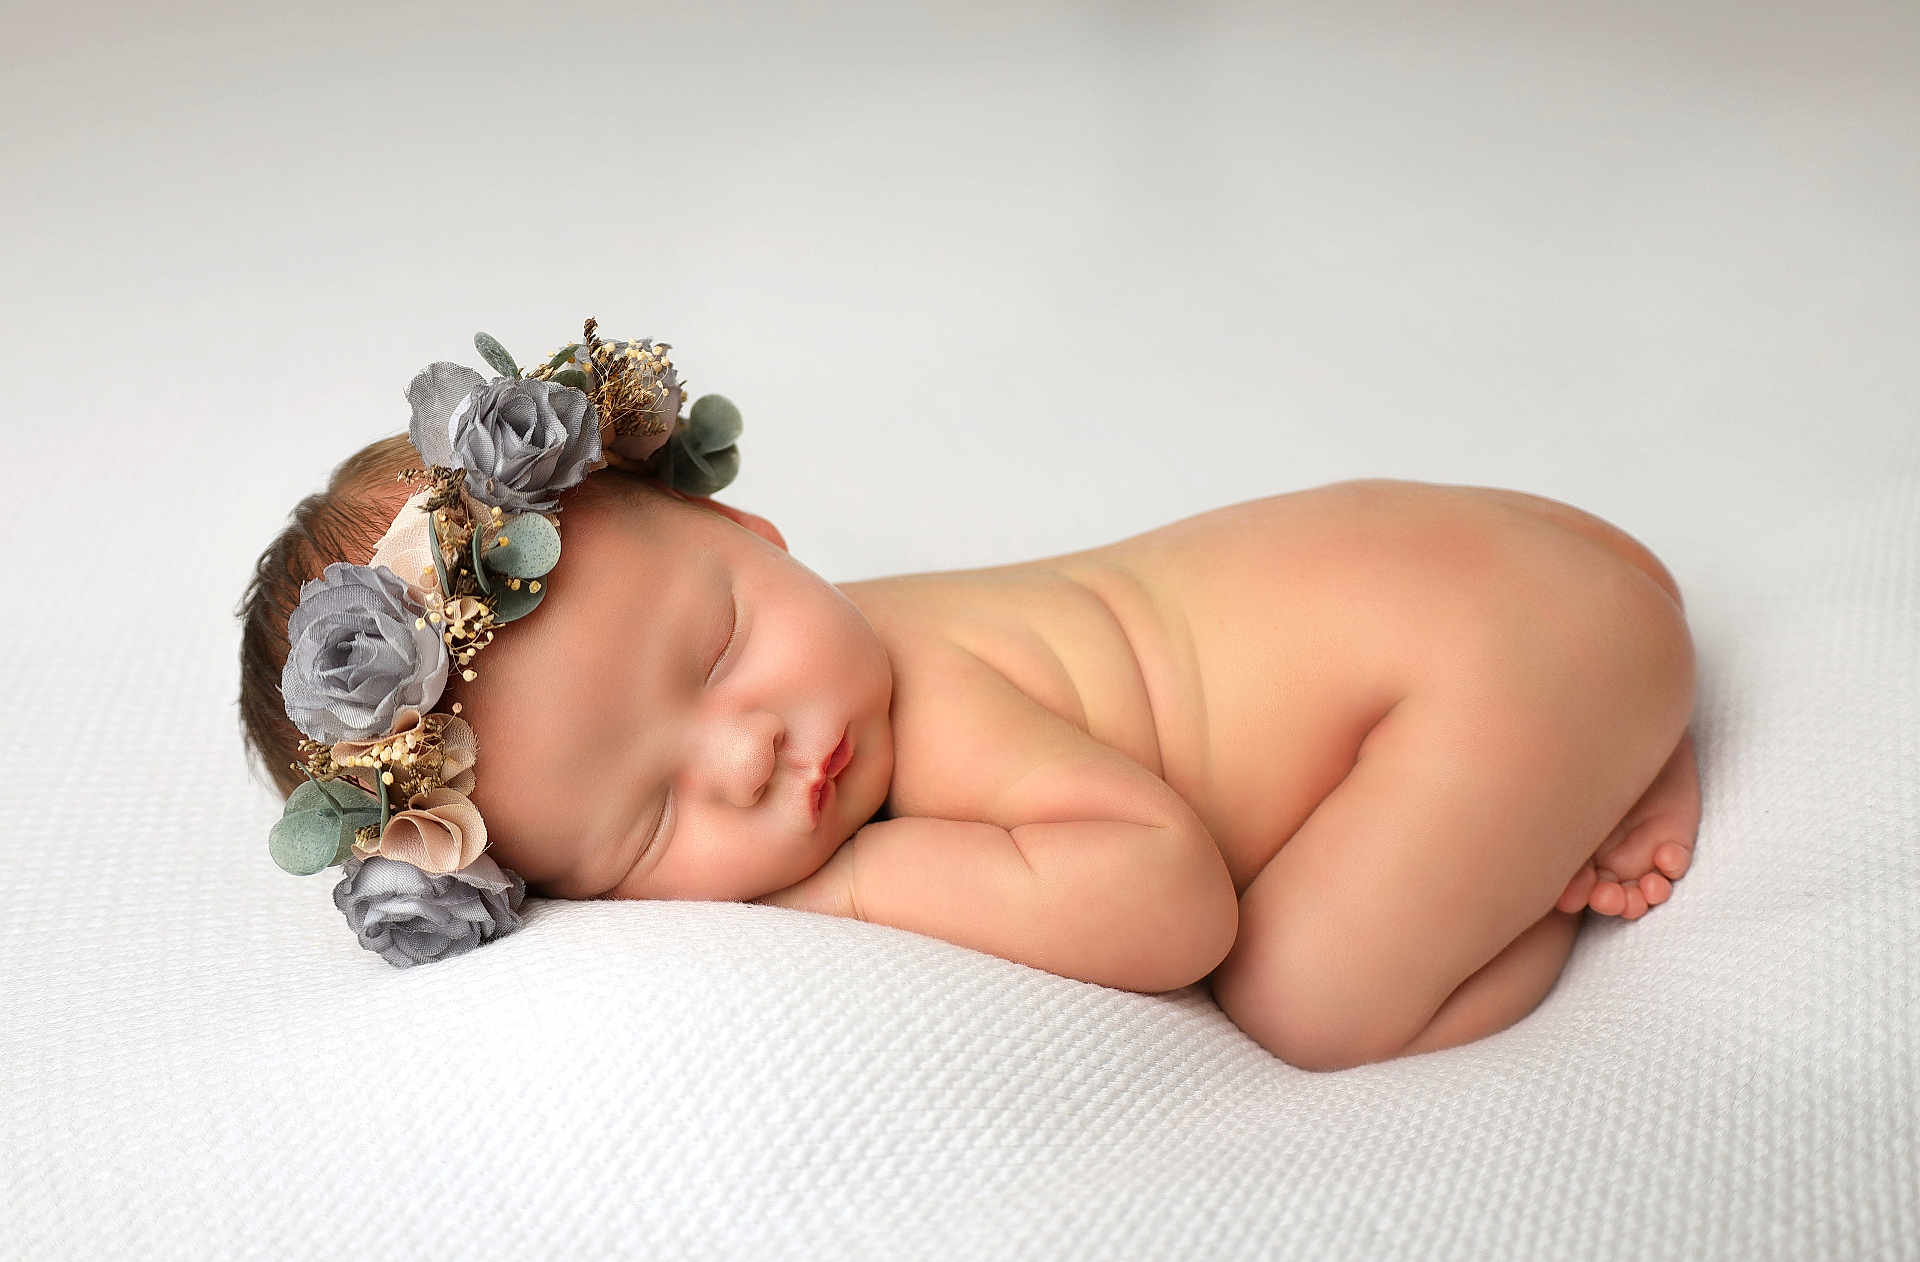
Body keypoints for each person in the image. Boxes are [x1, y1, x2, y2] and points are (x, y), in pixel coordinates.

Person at [241, 322, 1700, 1072]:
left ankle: (1583, 797)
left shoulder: (930, 698)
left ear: (752, 534)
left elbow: (1174, 902)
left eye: (719, 650)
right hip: (1494, 574)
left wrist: (852, 887)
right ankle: (1572, 746)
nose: (755, 750)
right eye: (654, 817)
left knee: (1305, 997)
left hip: (1503, 635)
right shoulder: (830, 657)